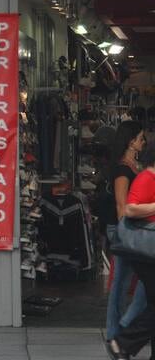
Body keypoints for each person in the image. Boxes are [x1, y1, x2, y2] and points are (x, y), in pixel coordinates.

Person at [110, 141, 155, 359]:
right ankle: (123, 342)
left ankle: (124, 343)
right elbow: (130, 208)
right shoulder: (147, 177)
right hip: (146, 249)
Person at [106, 122, 148, 353]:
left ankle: (120, 330)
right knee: (123, 284)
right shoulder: (124, 169)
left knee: (133, 284)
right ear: (131, 141)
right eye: (140, 138)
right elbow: (122, 206)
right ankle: (117, 330)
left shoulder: (132, 166)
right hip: (127, 232)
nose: (143, 142)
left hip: (130, 231)